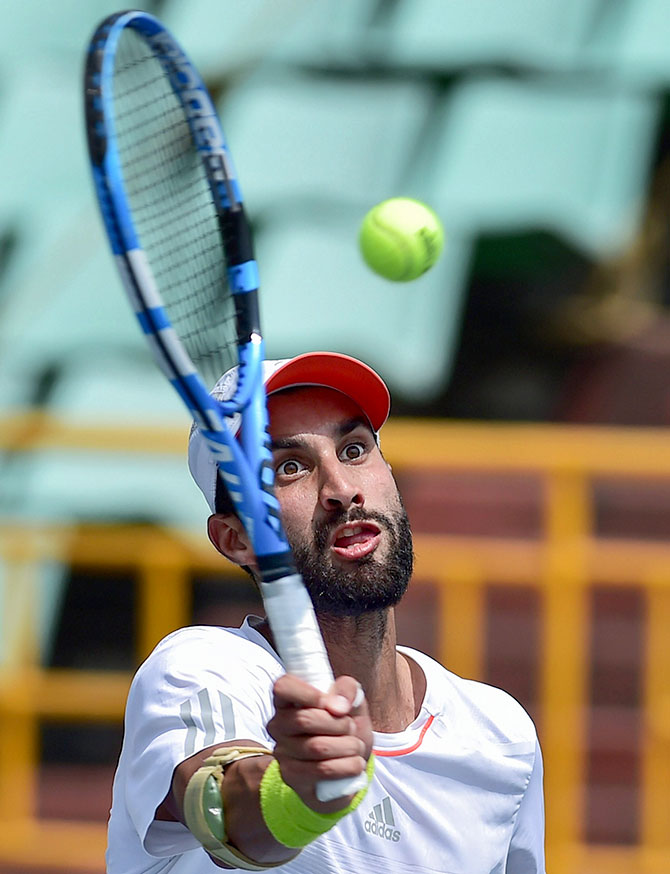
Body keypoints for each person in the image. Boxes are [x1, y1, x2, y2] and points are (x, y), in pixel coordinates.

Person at [106, 351, 546, 873]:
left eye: (355, 449)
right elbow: (222, 801)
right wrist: (293, 798)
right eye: (289, 468)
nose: (342, 490)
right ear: (236, 537)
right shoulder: (203, 668)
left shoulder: (502, 735)